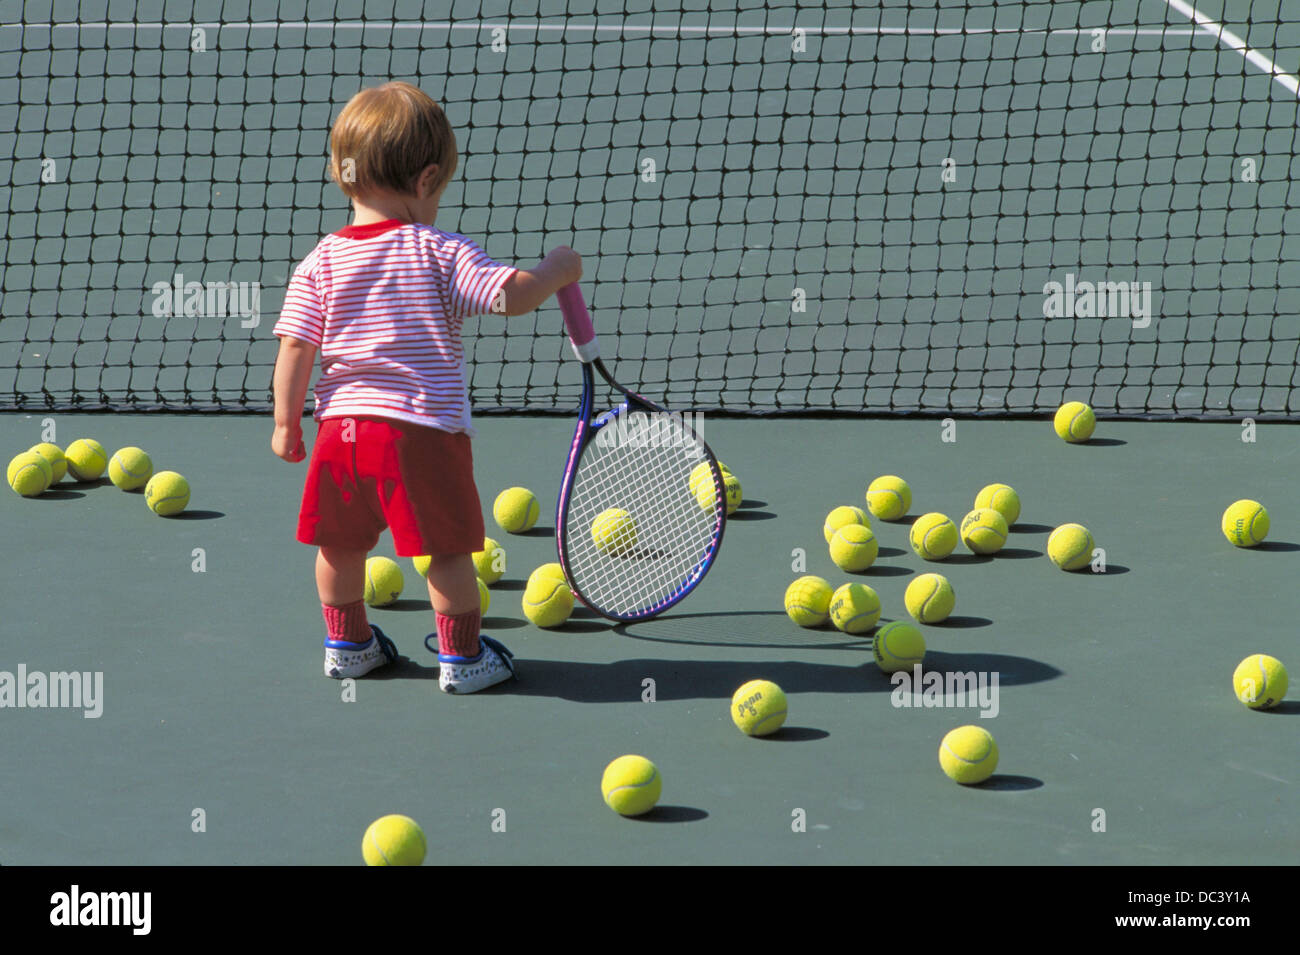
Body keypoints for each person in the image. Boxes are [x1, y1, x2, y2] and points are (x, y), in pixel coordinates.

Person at [270, 81, 581, 693]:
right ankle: (463, 659)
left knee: (338, 546)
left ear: (343, 174)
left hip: (342, 435)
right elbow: (509, 295)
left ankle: (349, 645)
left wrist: (286, 424)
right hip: (419, 436)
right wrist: (556, 270)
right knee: (445, 552)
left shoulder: (319, 262)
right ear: (426, 179)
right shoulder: (439, 252)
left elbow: (296, 347)